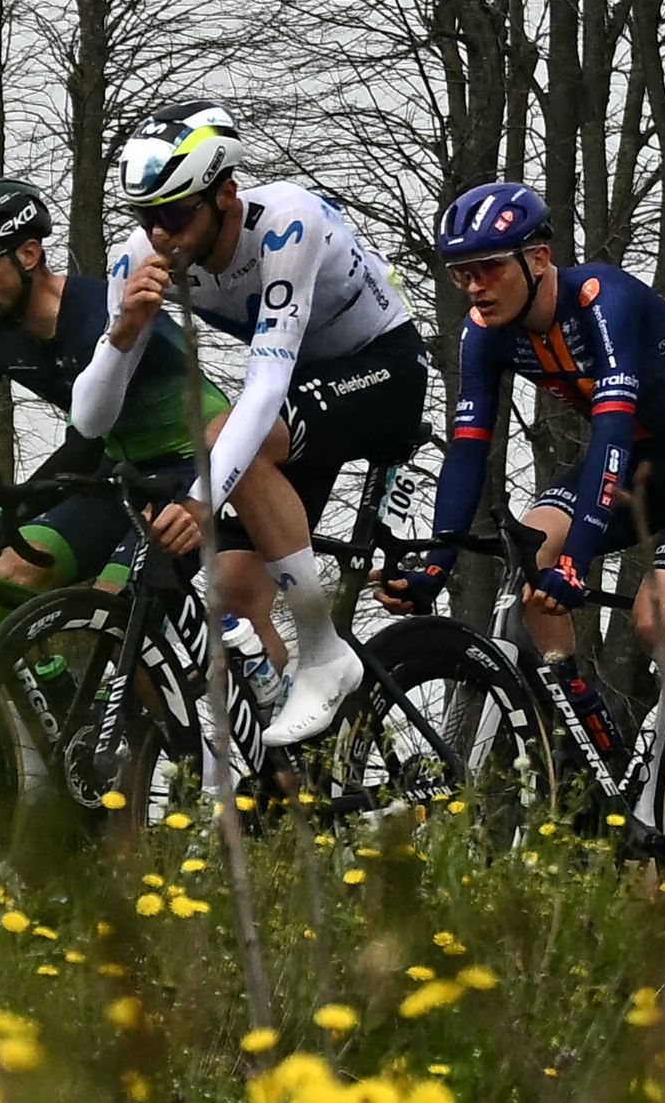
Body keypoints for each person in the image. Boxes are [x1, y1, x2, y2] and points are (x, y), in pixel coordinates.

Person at [68, 108, 428, 746]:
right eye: (144, 217)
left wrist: (201, 499)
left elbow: (263, 389)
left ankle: (325, 652)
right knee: (233, 596)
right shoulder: (141, 255)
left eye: (175, 215)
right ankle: (303, 773)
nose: (159, 234)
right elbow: (91, 420)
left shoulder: (289, 220)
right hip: (303, 392)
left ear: (225, 193)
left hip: (382, 369)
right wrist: (121, 335)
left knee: (230, 438)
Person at [429, 179, 665, 828]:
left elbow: (611, 429)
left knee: (655, 618)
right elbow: (468, 448)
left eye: (488, 267)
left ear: (537, 259)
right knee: (530, 548)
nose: (474, 286)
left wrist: (579, 560)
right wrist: (437, 560)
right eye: (461, 273)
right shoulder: (485, 334)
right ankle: (592, 739)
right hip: (641, 459)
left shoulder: (600, 299)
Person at [0, 174, 212, 653]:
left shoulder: (98, 311)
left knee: (113, 605)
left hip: (197, 467)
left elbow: (84, 444)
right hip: (120, 477)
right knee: (10, 572)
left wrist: (14, 505)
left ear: (29, 255)